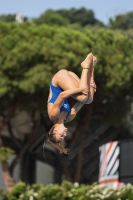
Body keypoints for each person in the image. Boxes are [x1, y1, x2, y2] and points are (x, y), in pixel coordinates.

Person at [47, 53, 97, 154]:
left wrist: (80, 89)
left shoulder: (53, 115)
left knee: (83, 96)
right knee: (88, 99)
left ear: (55, 131)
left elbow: (62, 95)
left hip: (59, 79)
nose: (64, 135)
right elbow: (81, 102)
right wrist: (92, 89)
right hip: (68, 79)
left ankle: (85, 66)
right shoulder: (69, 117)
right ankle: (91, 66)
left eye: (61, 136)